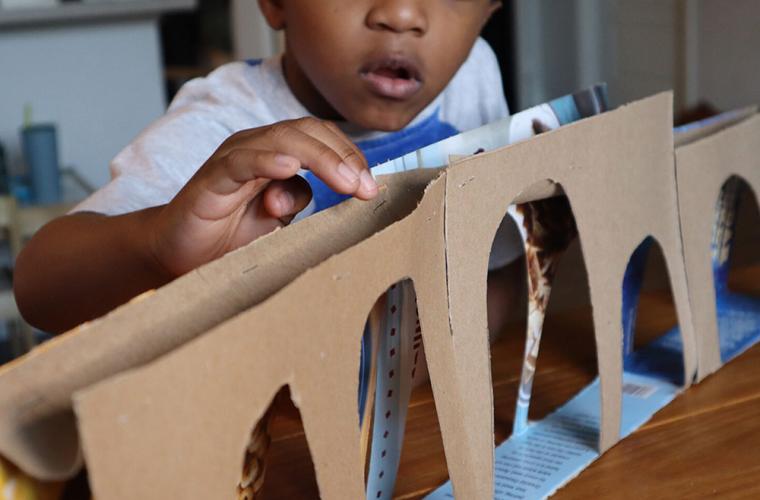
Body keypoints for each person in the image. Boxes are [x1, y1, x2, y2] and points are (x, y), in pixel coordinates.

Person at [14, 0, 520, 337]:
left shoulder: (472, 73)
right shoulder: (225, 127)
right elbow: (38, 288)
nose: (404, 14)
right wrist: (156, 245)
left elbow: (498, 270)